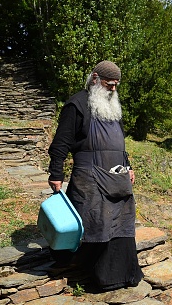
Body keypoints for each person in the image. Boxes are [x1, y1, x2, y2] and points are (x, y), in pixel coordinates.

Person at [47, 60, 143, 291]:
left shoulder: (113, 108)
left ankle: (123, 275)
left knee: (122, 223)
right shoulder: (77, 104)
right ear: (95, 78)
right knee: (95, 223)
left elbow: (119, 144)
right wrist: (56, 172)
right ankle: (94, 276)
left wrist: (127, 165)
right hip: (89, 178)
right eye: (109, 84)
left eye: (116, 86)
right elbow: (60, 143)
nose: (113, 89)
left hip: (117, 177)